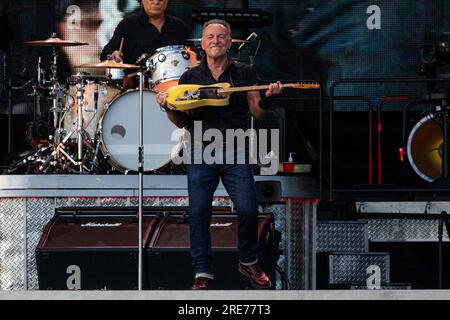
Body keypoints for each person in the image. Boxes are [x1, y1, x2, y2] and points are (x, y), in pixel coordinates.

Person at [157, 19, 282, 290]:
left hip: (236, 150)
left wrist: (269, 97)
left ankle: (248, 260)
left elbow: (257, 112)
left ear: (229, 42)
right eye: (210, 36)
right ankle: (203, 272)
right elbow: (180, 122)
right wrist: (166, 105)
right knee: (199, 213)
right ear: (201, 44)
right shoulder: (190, 78)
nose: (216, 40)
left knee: (248, 210)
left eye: (221, 36)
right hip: (201, 150)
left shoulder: (245, 73)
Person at [100, 0, 189, 66]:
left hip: (173, 86)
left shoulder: (179, 26)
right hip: (137, 85)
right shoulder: (128, 24)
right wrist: (113, 55)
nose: (156, 2)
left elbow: (189, 54)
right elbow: (105, 53)